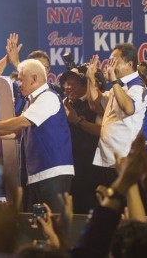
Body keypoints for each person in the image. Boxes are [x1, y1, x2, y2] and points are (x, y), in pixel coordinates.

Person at [0, 59, 74, 213]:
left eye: (21, 79)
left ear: (34, 78)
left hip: (53, 171)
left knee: (54, 223)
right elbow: (17, 133)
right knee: (35, 224)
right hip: (37, 173)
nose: (19, 83)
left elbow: (22, 122)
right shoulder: (31, 102)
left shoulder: (48, 97)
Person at [87, 44, 147, 187]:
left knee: (127, 206)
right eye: (109, 62)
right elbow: (95, 104)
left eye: (114, 61)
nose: (110, 66)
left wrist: (114, 80)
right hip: (109, 158)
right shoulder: (119, 87)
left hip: (125, 160)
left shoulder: (137, 87)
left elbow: (128, 108)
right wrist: (90, 78)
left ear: (129, 64)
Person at [59, 68, 101, 214]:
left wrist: (77, 121)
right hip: (71, 167)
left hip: (90, 168)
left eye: (74, 83)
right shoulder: (63, 105)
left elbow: (102, 131)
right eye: (66, 83)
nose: (68, 87)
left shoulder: (94, 106)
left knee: (88, 209)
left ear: (85, 86)